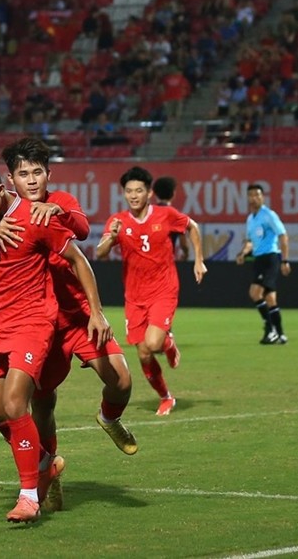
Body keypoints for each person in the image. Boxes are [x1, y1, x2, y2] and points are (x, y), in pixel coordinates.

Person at [0, 137, 137, 514]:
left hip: (74, 316)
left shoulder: (57, 207)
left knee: (121, 380)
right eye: (23, 173)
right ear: (9, 180)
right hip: (43, 324)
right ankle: (47, 475)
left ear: (48, 174)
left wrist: (54, 210)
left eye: (38, 172)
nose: (32, 179)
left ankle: (109, 417)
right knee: (37, 405)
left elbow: (83, 232)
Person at [96, 166, 207, 416]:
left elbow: (192, 227)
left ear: (149, 193)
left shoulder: (165, 214)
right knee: (144, 353)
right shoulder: (118, 221)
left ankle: (167, 342)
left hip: (163, 289)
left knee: (153, 342)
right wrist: (111, 237)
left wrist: (199, 259)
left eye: (138, 190)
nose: (133, 195)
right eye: (128, 191)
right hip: (134, 297)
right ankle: (166, 397)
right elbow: (101, 253)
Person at [236, 184, 291, 344]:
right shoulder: (250, 219)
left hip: (270, 258)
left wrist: (285, 260)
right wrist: (243, 253)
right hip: (259, 259)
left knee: (254, 293)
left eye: (257, 195)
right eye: (251, 195)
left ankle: (270, 328)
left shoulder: (269, 215)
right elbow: (250, 242)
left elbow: (283, 236)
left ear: (263, 197)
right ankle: (280, 334)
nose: (254, 198)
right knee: (270, 299)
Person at [151, 176, 190, 261]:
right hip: (166, 263)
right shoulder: (177, 216)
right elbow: (184, 245)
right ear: (173, 193)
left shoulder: (147, 213)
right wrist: (186, 254)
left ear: (155, 193)